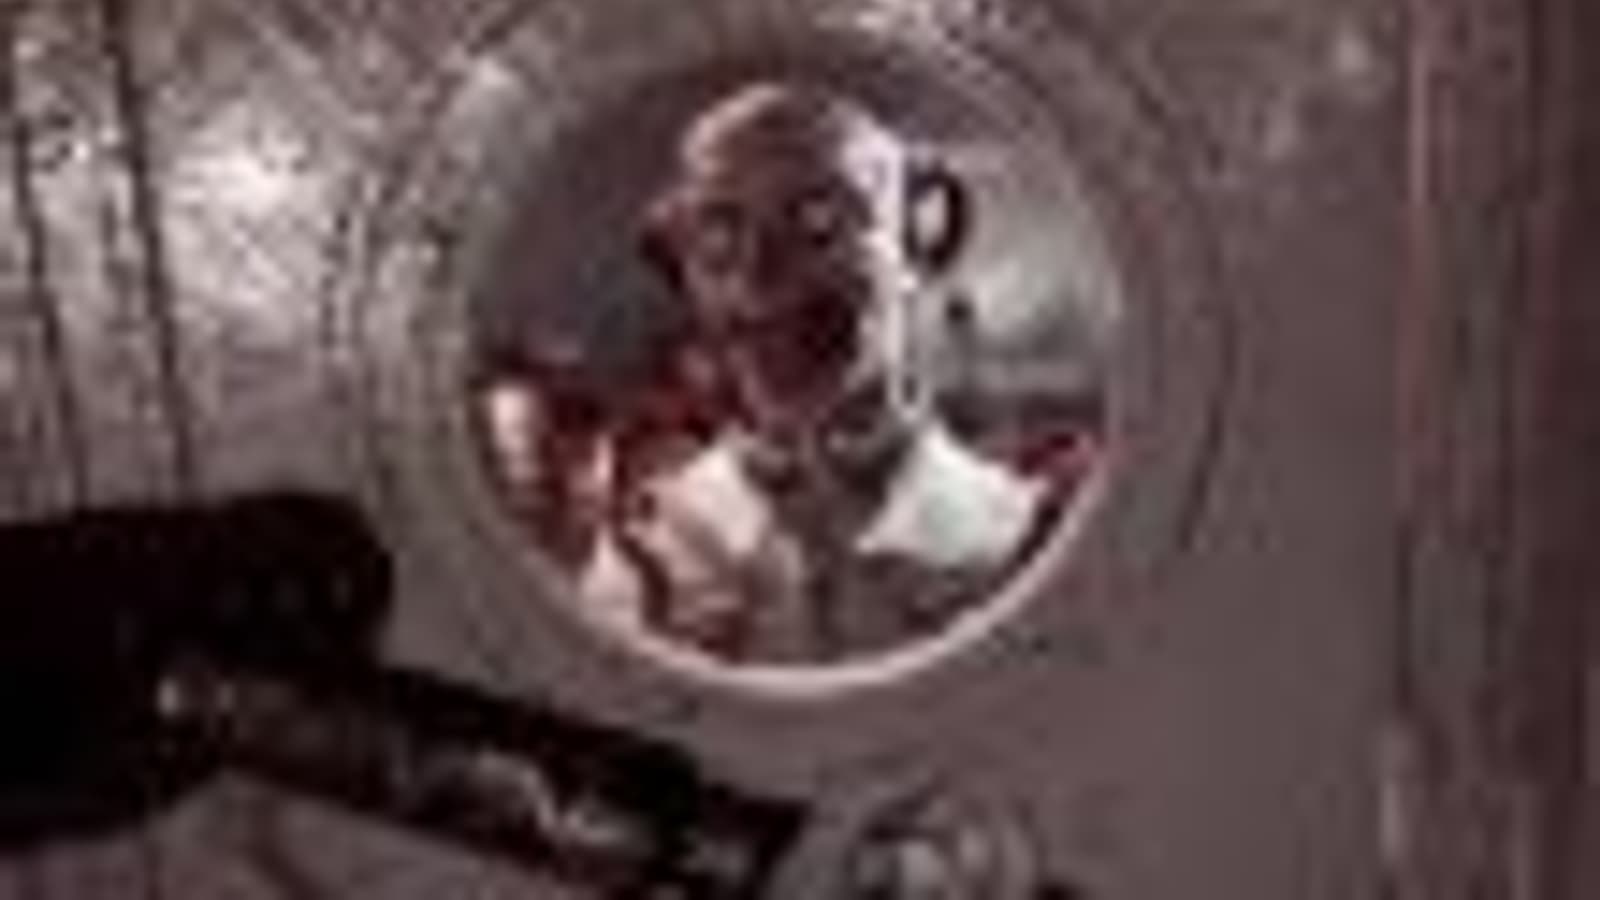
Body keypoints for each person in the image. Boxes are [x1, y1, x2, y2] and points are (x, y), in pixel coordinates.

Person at [521, 81, 1076, 667]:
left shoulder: (1025, 541)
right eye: (720, 232)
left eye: (818, 222)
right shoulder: (652, 551)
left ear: (916, 244)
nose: (756, 276)